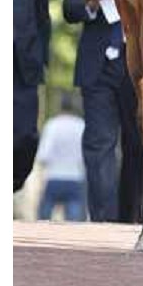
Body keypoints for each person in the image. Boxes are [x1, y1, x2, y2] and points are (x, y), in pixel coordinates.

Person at [62, 0, 143, 223]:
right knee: (99, 145)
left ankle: (130, 218)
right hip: (96, 66)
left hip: (135, 63)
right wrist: (88, 4)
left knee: (136, 145)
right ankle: (103, 222)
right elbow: (68, 7)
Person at [13, 0, 51, 193]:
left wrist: (44, 55)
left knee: (26, 135)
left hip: (25, 58)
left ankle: (14, 179)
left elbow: (42, 8)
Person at [36, 92, 87, 221]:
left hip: (54, 177)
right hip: (75, 178)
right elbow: (85, 157)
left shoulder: (52, 124)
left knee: (43, 221)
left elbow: (43, 155)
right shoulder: (81, 125)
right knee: (74, 225)